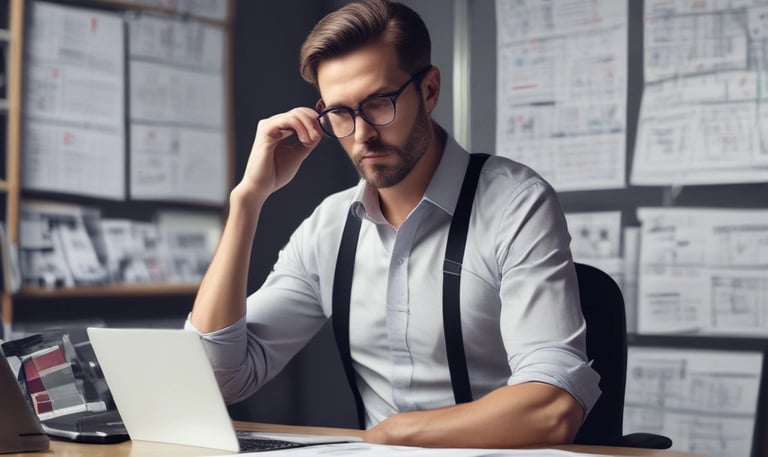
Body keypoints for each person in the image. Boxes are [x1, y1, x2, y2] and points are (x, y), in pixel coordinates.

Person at [187, 0, 600, 449]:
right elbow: (213, 379)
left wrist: (396, 433)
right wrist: (247, 200)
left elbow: (555, 405)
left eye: (378, 103)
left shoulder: (514, 206)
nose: (362, 133)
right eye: (341, 113)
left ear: (429, 90)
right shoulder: (330, 227)